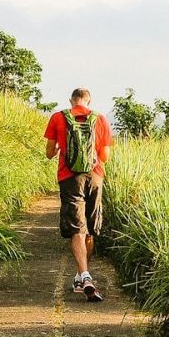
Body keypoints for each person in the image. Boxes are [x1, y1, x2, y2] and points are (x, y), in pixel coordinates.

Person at [44, 87, 113, 302]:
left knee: (77, 228)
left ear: (71, 101)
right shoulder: (100, 119)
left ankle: (84, 276)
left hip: (69, 177)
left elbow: (48, 152)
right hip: (95, 177)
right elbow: (105, 156)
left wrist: (58, 150)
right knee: (90, 228)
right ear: (89, 101)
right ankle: (80, 276)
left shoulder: (58, 117)